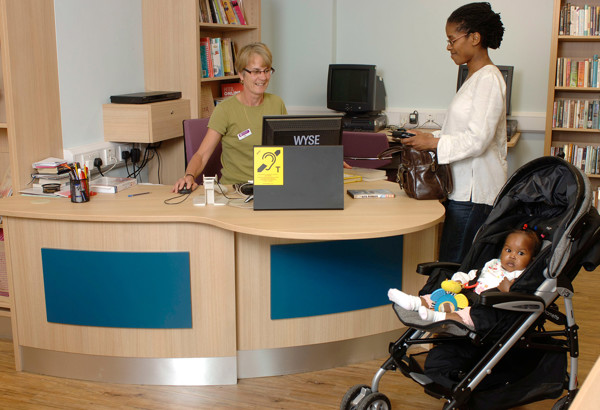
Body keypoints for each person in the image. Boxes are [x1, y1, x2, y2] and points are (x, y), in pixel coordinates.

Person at [402, 2, 507, 263]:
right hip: (462, 190)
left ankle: (448, 305)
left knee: (454, 266)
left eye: (452, 39)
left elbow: (478, 140)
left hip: (474, 194)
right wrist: (429, 136)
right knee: (452, 261)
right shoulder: (474, 79)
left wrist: (433, 142)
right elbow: (463, 131)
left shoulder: (488, 79)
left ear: (475, 37)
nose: (449, 47)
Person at [173, 42, 287, 192]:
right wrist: (189, 175)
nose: (263, 77)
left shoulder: (276, 103)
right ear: (241, 74)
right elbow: (201, 154)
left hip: (271, 187)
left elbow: (289, 149)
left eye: (266, 71)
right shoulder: (225, 109)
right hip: (235, 190)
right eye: (256, 71)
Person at [388, 227, 542, 328]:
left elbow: (515, 293)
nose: (512, 256)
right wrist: (459, 280)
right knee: (441, 294)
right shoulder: (493, 264)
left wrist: (506, 290)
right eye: (508, 250)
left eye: (520, 253)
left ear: (532, 259)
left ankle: (437, 316)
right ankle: (414, 302)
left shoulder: (520, 275)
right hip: (466, 294)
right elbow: (472, 275)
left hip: (483, 307)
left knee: (466, 315)